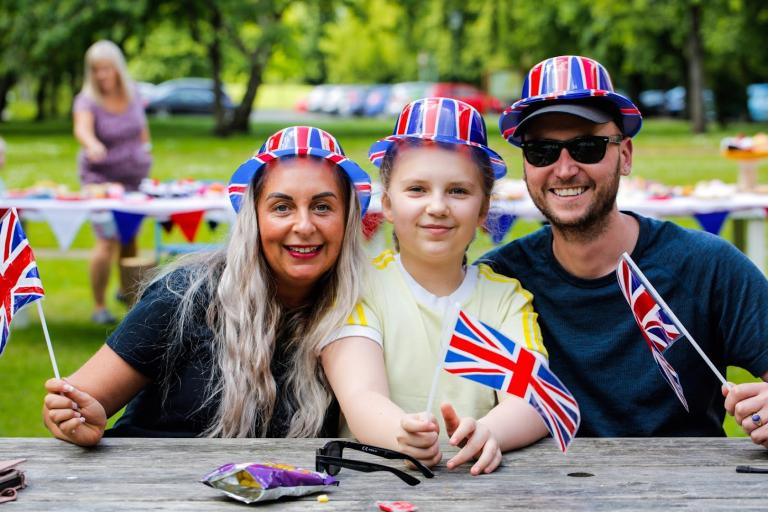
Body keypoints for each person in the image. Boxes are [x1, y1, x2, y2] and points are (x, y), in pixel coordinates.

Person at [478, 55, 768, 445]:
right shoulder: (498, 280)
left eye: (587, 147)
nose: (564, 169)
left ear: (625, 155)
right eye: (542, 151)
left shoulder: (707, 265)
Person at [43, 126, 372, 446]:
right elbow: (77, 402)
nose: (303, 225)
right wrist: (74, 419)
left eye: (322, 207)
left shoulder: (361, 315)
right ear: (253, 219)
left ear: (347, 218)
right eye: (282, 207)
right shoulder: (182, 295)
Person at [322, 98, 549, 475]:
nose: (438, 206)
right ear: (389, 204)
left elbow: (534, 398)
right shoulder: (358, 287)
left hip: (481, 490)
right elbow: (361, 395)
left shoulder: (505, 298)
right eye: (417, 189)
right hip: (379, 483)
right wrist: (401, 435)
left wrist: (491, 431)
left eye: (458, 191)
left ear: (482, 210)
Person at [73, 40, 153, 324]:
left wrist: (146, 150)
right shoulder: (86, 99)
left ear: (117, 68)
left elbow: (142, 130)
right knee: (106, 240)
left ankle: (127, 295)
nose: (102, 75)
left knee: (130, 238)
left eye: (107, 69)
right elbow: (82, 129)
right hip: (101, 181)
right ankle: (98, 306)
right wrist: (92, 143)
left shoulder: (132, 93)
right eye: (96, 70)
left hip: (133, 179)